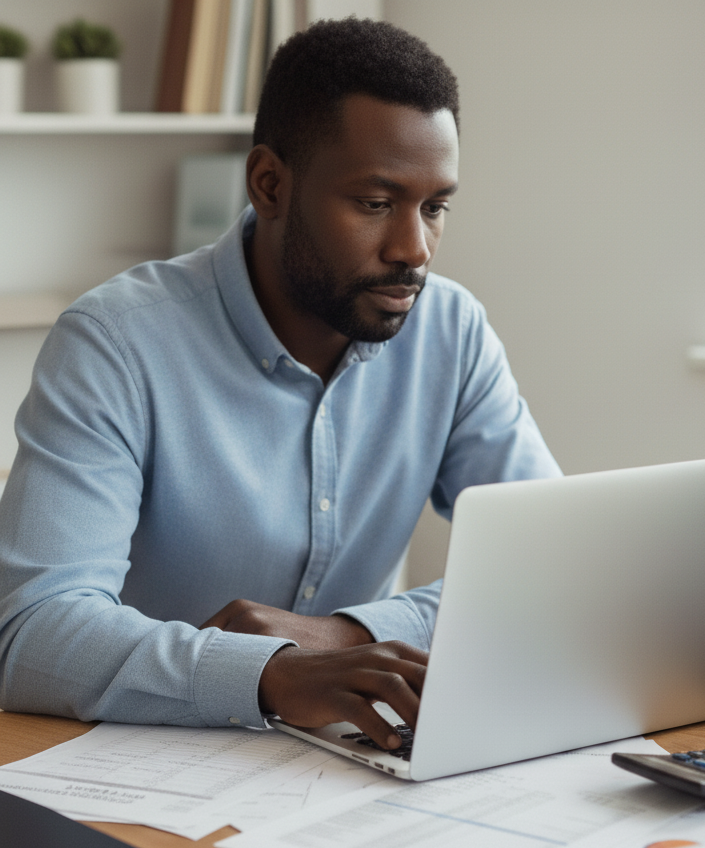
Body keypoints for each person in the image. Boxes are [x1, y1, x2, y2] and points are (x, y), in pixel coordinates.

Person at [0, 19, 559, 750]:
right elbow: (35, 632)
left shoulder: (450, 330)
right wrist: (270, 673)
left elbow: (550, 567)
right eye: (375, 203)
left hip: (352, 762)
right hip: (142, 758)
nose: (413, 249)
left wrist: (346, 635)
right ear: (270, 183)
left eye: (435, 207)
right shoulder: (116, 343)